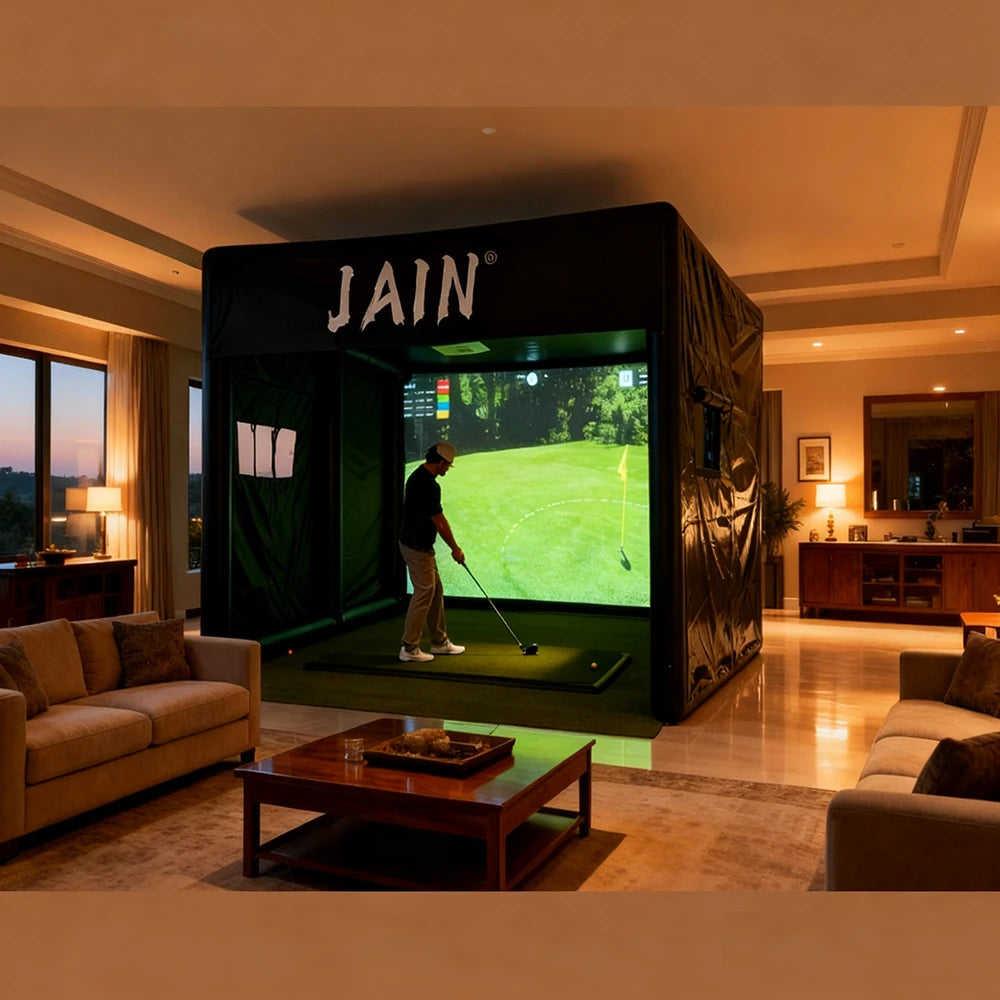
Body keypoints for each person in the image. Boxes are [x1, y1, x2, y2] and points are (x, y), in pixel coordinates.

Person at [398, 441, 466, 662]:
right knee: (424, 593)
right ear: (440, 462)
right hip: (416, 547)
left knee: (434, 591)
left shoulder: (419, 475)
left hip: (418, 545)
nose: (447, 469)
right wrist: (455, 549)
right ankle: (409, 648)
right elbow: (440, 522)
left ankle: (439, 642)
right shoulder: (428, 485)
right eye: (447, 465)